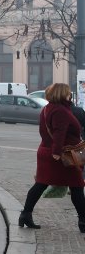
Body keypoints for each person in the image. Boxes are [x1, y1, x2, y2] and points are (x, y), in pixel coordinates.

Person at [18, 83, 85, 232]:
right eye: (68, 93)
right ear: (62, 94)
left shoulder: (47, 108)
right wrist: (56, 153)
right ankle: (83, 221)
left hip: (46, 151)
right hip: (61, 155)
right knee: (77, 186)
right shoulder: (61, 110)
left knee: (41, 184)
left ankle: (25, 215)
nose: (70, 95)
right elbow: (59, 132)